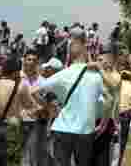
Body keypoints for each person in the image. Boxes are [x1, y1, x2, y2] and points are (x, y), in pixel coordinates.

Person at [33, 28, 108, 166]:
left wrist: (49, 108)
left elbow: (35, 92)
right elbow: (109, 99)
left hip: (62, 128)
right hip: (85, 130)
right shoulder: (97, 76)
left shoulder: (64, 74)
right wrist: (103, 122)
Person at [18, 51, 49, 166]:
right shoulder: (16, 78)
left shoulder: (43, 81)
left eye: (34, 60)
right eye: (29, 59)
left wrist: (40, 108)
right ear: (24, 61)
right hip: (18, 121)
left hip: (37, 122)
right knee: (19, 154)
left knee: (35, 156)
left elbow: (48, 103)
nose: (31, 62)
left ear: (38, 63)